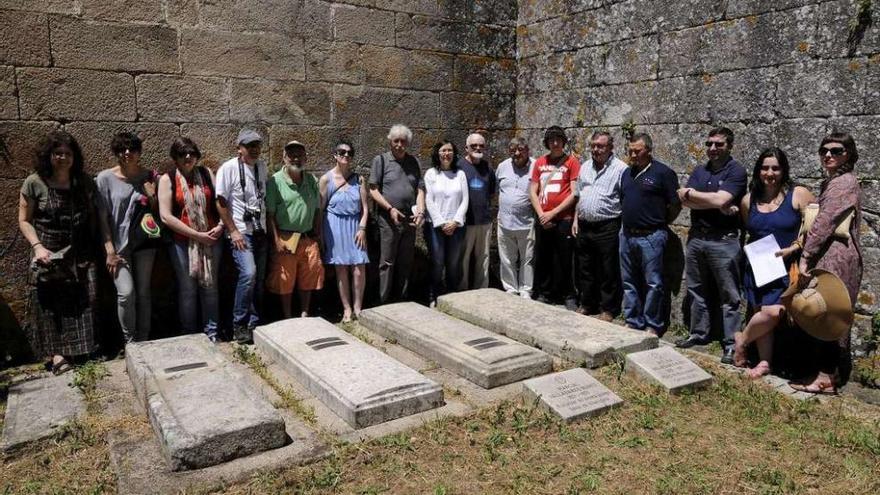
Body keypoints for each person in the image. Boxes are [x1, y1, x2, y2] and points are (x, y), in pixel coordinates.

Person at [18, 131, 100, 373]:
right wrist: (37, 247)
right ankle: (57, 356)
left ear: (74, 157)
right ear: (48, 156)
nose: (63, 158)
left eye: (67, 153)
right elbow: (24, 220)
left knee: (85, 300)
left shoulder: (83, 182)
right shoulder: (35, 183)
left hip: (79, 253)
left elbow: (94, 216)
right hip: (47, 252)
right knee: (51, 305)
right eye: (57, 153)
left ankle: (83, 349)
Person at [790, 132, 863, 394]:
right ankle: (823, 373)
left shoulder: (843, 183)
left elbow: (824, 223)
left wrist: (806, 255)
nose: (828, 155)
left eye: (836, 150)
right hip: (830, 253)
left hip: (836, 256)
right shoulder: (834, 182)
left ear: (849, 154)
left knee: (829, 313)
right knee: (821, 312)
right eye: (824, 151)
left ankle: (826, 376)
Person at [733, 148, 814, 378]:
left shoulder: (798, 194)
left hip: (789, 268)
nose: (770, 173)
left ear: (784, 170)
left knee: (775, 312)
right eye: (765, 168)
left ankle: (742, 341)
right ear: (758, 171)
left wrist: (794, 248)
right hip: (760, 265)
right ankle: (765, 362)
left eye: (775, 168)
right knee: (761, 312)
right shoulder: (748, 201)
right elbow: (752, 231)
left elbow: (815, 230)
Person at [675, 127, 748, 365]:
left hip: (723, 241)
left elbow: (721, 199)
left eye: (719, 144)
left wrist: (694, 194)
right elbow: (684, 202)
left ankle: (730, 344)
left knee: (729, 295)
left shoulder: (736, 171)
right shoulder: (700, 170)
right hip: (697, 238)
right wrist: (715, 202)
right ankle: (699, 333)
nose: (713, 149)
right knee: (697, 290)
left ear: (729, 146)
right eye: (709, 144)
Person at [157, 137, 224, 342]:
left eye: (192, 153)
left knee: (210, 286)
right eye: (182, 154)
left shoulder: (206, 174)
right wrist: (197, 235)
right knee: (187, 288)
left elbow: (220, 201)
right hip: (182, 241)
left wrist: (221, 225)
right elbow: (165, 216)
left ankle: (212, 332)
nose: (188, 157)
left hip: (211, 237)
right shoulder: (168, 179)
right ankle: (190, 334)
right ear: (175, 158)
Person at [96, 132, 158, 343]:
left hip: (144, 244)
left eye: (132, 149)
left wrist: (152, 195)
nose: (127, 153)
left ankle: (144, 338)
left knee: (144, 292)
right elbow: (102, 218)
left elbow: (159, 213)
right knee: (126, 293)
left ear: (139, 152)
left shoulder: (149, 176)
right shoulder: (105, 179)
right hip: (118, 246)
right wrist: (110, 251)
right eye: (122, 150)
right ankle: (130, 342)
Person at [619, 133, 682, 335]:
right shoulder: (627, 174)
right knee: (629, 282)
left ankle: (652, 324)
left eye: (637, 151)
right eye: (630, 151)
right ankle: (632, 320)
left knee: (653, 283)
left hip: (652, 236)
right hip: (627, 235)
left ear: (648, 150)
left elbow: (675, 204)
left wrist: (660, 222)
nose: (633, 154)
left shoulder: (663, 173)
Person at [215, 128, 268, 342]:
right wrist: (233, 231)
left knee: (259, 279)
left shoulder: (261, 167)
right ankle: (239, 323)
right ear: (239, 148)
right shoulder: (228, 169)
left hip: (260, 230)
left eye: (257, 145)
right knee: (248, 274)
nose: (254, 150)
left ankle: (255, 323)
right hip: (241, 232)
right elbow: (221, 202)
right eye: (249, 146)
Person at [572, 131, 627, 321]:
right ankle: (587, 304)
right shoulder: (585, 166)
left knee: (608, 270)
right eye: (593, 145)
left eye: (600, 146)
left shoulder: (621, 169)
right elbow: (579, 195)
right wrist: (575, 219)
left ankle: (608, 309)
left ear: (610, 148)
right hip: (585, 225)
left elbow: (625, 199)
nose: (595, 149)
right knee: (585, 268)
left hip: (607, 226)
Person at [266, 141, 324, 318]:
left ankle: (305, 313)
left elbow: (316, 210)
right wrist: (276, 240)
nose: (296, 158)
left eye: (300, 155)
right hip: (286, 237)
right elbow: (270, 215)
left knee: (309, 275)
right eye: (291, 155)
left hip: (307, 237)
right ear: (284, 158)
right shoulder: (275, 181)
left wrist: (317, 235)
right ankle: (287, 316)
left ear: (306, 158)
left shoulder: (312, 180)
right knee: (285, 278)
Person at [368, 124, 425, 303]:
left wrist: (421, 211)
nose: (399, 144)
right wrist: (390, 208)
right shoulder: (381, 160)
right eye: (396, 141)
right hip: (388, 219)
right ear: (390, 142)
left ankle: (402, 299)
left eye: (403, 141)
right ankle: (383, 301)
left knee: (406, 261)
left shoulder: (413, 162)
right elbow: (373, 189)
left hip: (409, 219)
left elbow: (420, 189)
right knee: (387, 262)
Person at [529, 126, 580, 309]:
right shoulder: (540, 163)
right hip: (543, 218)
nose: (555, 143)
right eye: (551, 140)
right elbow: (532, 191)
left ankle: (568, 294)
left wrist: (554, 212)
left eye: (558, 139)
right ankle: (544, 292)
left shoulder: (572, 162)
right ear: (547, 143)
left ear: (563, 141)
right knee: (543, 256)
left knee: (565, 258)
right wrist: (542, 214)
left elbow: (574, 193)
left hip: (563, 218)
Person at [320, 140, 368, 323]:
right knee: (341, 268)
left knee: (359, 268)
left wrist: (362, 228)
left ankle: (358, 306)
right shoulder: (326, 180)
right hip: (334, 227)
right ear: (335, 155)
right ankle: (346, 309)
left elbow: (365, 209)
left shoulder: (360, 180)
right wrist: (321, 236)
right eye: (342, 152)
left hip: (355, 226)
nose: (346, 155)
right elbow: (320, 211)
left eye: (349, 152)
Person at [423, 140, 469, 306]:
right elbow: (429, 199)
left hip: (456, 226)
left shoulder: (460, 174)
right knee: (437, 261)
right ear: (437, 153)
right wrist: (442, 223)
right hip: (436, 226)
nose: (446, 154)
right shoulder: (431, 174)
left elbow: (465, 200)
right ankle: (433, 296)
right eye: (443, 150)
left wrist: (455, 221)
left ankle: (451, 297)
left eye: (449, 150)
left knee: (453, 263)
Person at [495, 138, 535, 299]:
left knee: (527, 259)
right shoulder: (502, 166)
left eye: (520, 149)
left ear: (527, 150)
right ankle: (511, 289)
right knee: (506, 258)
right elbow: (497, 190)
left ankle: (526, 290)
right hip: (505, 221)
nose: (517, 153)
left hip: (527, 222)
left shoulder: (536, 166)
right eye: (513, 150)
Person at [458, 133, 496, 291]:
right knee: (463, 258)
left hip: (484, 221)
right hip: (465, 221)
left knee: (484, 258)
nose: (478, 148)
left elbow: (492, 192)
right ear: (466, 148)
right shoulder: (458, 166)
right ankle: (461, 290)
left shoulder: (488, 167)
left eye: (481, 145)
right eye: (474, 146)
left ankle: (482, 290)